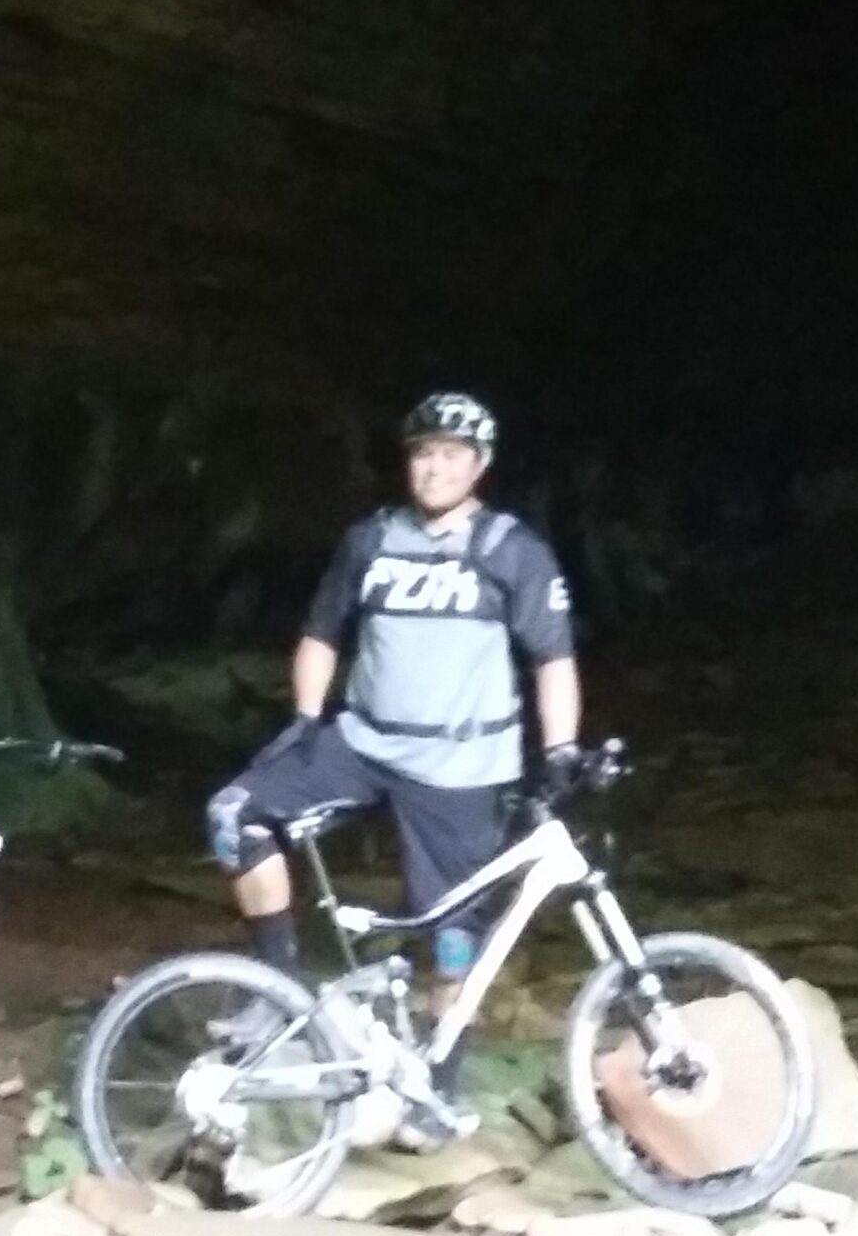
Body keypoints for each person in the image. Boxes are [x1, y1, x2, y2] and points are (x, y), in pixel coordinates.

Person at [204, 392, 584, 1127]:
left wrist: (561, 748)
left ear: (479, 467)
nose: (434, 468)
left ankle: (441, 1080)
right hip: (364, 741)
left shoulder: (512, 551)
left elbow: (553, 658)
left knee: (449, 936)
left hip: (462, 767)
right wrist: (308, 721)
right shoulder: (371, 540)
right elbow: (321, 633)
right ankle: (276, 985)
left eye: (451, 455)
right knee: (233, 816)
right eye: (423, 453)